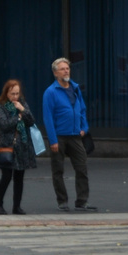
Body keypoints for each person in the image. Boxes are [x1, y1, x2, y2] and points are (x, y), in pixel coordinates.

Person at [42, 56, 94, 212]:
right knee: (58, 170)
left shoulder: (75, 88)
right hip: (59, 136)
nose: (66, 71)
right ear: (55, 73)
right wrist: (53, 140)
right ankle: (62, 201)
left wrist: (84, 127)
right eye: (63, 69)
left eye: (67, 68)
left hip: (75, 135)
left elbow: (82, 110)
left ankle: (82, 201)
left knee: (82, 168)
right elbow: (48, 117)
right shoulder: (50, 92)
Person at [0, 79, 38, 215]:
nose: (15, 97)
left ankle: (16, 206)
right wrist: (18, 118)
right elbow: (4, 125)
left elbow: (31, 121)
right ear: (6, 93)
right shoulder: (1, 106)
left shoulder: (22, 104)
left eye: (17, 93)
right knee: (6, 177)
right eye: (12, 93)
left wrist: (23, 110)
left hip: (22, 146)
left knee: (19, 177)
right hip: (8, 146)